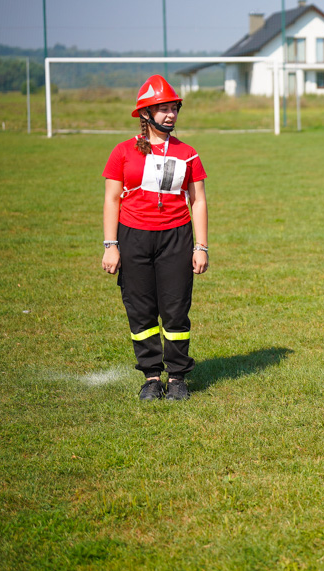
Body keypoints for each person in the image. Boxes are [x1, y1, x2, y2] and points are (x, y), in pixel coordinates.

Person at [102, 74, 209, 400]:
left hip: (176, 238)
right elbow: (112, 199)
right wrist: (111, 245)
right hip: (133, 238)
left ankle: (177, 377)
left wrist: (201, 246)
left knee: (176, 309)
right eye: (162, 109)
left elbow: (199, 200)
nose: (170, 115)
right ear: (145, 114)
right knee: (141, 309)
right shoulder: (123, 152)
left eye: (173, 108)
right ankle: (151, 376)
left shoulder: (188, 153)